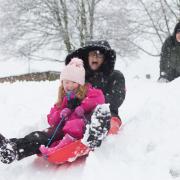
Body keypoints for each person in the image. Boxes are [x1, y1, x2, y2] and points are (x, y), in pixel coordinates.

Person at [0, 58, 105, 164]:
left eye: (74, 82)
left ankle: (60, 146)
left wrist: (83, 107)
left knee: (74, 124)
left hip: (82, 128)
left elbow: (98, 98)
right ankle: (13, 149)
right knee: (40, 137)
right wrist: (61, 112)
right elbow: (51, 120)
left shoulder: (90, 92)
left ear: (81, 83)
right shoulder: (63, 97)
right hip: (63, 130)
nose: (69, 85)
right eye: (66, 82)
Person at [65, 40, 126, 132]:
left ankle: (96, 136)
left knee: (107, 123)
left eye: (99, 55)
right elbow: (71, 98)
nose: (95, 57)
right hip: (80, 117)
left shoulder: (116, 76)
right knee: (66, 126)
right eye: (92, 54)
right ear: (87, 57)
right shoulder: (81, 77)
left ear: (105, 58)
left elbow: (116, 99)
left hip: (109, 115)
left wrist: (90, 102)